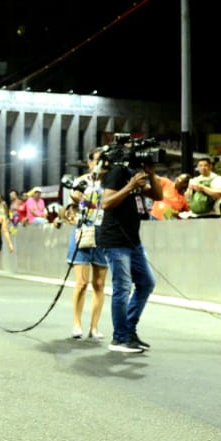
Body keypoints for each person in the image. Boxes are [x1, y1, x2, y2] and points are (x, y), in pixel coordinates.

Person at [96, 147, 162, 353]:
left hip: (132, 240)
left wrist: (151, 173)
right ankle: (120, 338)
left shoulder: (136, 174)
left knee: (146, 282)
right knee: (123, 287)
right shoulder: (116, 173)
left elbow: (158, 196)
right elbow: (106, 203)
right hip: (115, 239)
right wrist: (130, 186)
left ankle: (129, 330)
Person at [67, 148, 107, 341]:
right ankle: (76, 324)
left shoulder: (112, 182)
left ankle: (94, 327)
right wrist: (74, 205)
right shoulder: (82, 181)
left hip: (104, 233)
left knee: (99, 284)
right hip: (83, 231)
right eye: (97, 160)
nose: (100, 164)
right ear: (89, 162)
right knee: (81, 283)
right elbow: (72, 202)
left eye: (104, 161)